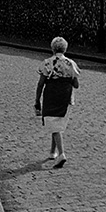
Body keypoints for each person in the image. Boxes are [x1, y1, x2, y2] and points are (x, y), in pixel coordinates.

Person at [34, 36, 80, 169]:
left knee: (53, 125)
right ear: (65, 48)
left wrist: (37, 99)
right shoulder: (71, 64)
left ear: (52, 48)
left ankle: (61, 154)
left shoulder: (47, 63)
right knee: (57, 124)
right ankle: (52, 152)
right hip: (65, 98)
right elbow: (76, 84)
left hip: (51, 97)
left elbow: (41, 83)